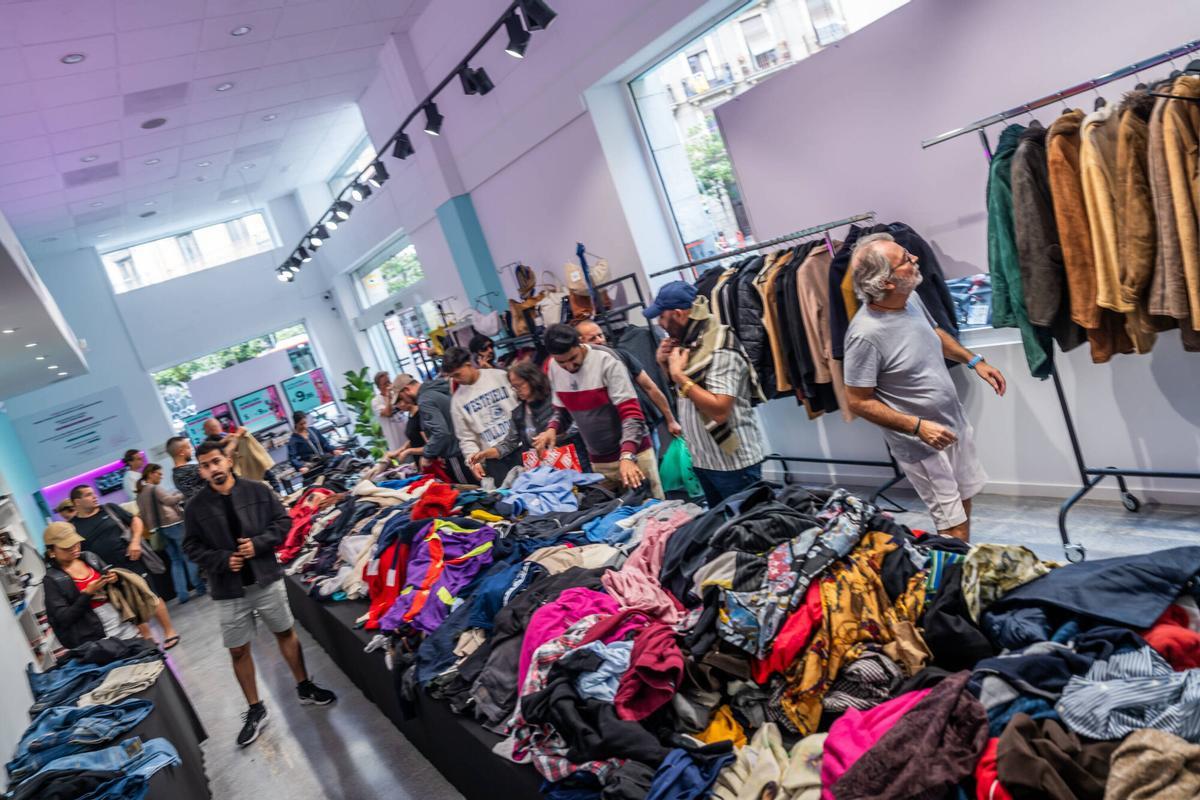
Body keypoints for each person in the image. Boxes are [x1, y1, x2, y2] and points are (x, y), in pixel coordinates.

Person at [844, 232, 1007, 541]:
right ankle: (949, 583)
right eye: (906, 260)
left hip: (952, 424)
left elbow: (934, 333)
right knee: (951, 522)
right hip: (922, 445)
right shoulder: (864, 335)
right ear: (886, 282)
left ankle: (956, 568)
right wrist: (918, 427)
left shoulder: (910, 299)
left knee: (964, 500)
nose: (915, 259)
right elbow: (857, 401)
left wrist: (976, 362)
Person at [182, 441, 336, 747]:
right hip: (228, 589)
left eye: (215, 462)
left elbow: (283, 522)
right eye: (205, 465)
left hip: (266, 579)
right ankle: (255, 709)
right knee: (238, 649)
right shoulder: (195, 507)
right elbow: (191, 547)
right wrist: (221, 560)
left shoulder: (258, 490)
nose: (212, 469)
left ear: (228, 460)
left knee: (285, 632)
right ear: (200, 470)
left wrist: (259, 543)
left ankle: (304, 687)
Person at [647, 281, 768, 506]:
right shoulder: (688, 346)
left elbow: (719, 411)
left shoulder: (720, 346)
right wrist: (664, 365)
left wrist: (678, 376)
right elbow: (686, 398)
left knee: (750, 532)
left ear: (678, 313)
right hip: (704, 459)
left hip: (733, 464)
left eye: (662, 317)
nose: (660, 324)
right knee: (723, 530)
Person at [534, 323, 664, 498]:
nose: (569, 367)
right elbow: (562, 411)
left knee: (655, 515)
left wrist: (627, 456)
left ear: (579, 343)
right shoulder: (552, 367)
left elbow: (632, 414)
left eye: (573, 358)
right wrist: (552, 429)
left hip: (634, 455)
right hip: (600, 461)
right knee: (614, 518)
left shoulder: (606, 360)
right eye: (562, 362)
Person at [68, 485, 181, 646]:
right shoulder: (73, 527)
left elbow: (136, 520)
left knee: (151, 595)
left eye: (93, 493)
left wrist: (135, 542)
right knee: (127, 605)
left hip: (130, 561)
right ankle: (148, 640)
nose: (94, 496)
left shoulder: (109, 509)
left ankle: (169, 631)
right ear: (77, 502)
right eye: (88, 495)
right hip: (107, 573)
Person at [468, 361, 591, 476]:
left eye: (519, 385)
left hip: (575, 465)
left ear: (532, 380)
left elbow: (578, 425)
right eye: (513, 387)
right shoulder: (518, 413)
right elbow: (508, 444)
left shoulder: (556, 399)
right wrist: (485, 453)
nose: (517, 390)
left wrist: (554, 436)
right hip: (544, 472)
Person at [574, 318, 682, 438]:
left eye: (600, 335)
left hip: (641, 427)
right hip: (612, 437)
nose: (599, 340)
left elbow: (650, 388)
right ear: (581, 344)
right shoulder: (580, 374)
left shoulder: (621, 357)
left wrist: (671, 420)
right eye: (592, 339)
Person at [42, 522, 141, 649]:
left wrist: (114, 580)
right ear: (51, 552)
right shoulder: (52, 579)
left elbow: (116, 590)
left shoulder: (89, 557)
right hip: (96, 637)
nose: (75, 548)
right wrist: (86, 594)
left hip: (123, 623)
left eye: (76, 543)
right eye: (67, 547)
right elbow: (63, 619)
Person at [442, 346, 520, 483]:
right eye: (452, 377)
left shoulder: (499, 376)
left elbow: (521, 406)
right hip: (495, 460)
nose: (455, 380)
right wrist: (473, 461)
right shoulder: (457, 401)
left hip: (520, 446)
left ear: (468, 364)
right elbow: (466, 438)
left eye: (457, 374)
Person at [136, 463, 205, 603]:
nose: (161, 477)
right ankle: (199, 587)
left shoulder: (140, 494)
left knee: (175, 561)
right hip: (173, 524)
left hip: (158, 531)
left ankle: (182, 594)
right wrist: (181, 494)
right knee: (188, 555)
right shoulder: (154, 488)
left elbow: (143, 515)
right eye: (159, 474)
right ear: (150, 474)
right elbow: (169, 501)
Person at [394, 373, 474, 484]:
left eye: (401, 397)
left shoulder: (425, 400)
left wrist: (427, 455)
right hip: (466, 447)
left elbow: (441, 433)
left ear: (406, 390)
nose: (404, 402)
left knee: (473, 491)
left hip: (456, 455)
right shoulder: (436, 390)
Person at [372, 371, 408, 451]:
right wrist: (389, 397)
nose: (388, 385)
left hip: (410, 439)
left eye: (389, 382)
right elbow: (388, 413)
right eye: (385, 383)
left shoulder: (395, 395)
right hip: (398, 446)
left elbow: (407, 407)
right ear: (379, 387)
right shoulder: (376, 401)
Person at [168, 436, 207, 504]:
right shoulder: (193, 469)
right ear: (181, 452)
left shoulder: (175, 475)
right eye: (188, 447)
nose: (191, 449)